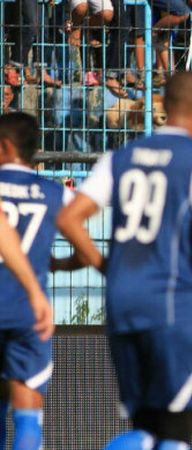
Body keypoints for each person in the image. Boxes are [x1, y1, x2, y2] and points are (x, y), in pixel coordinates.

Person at [57, 72, 192, 450]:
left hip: (122, 300)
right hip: (170, 301)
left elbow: (68, 218)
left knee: (145, 427)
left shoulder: (119, 158)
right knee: (177, 428)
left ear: (164, 105)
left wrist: (103, 264)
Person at [0, 112, 79, 450]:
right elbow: (87, 250)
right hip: (27, 311)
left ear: (4, 146)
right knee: (28, 419)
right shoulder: (54, 193)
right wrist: (59, 265)